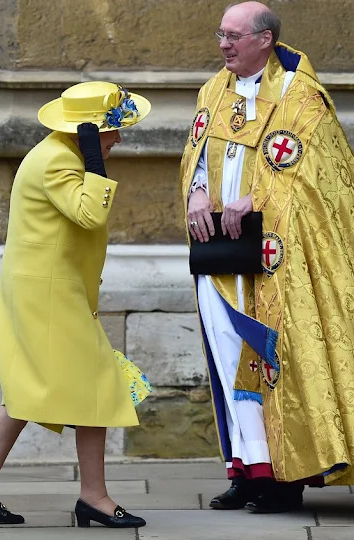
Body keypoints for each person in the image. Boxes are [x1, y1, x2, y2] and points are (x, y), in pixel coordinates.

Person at [180, 1, 354, 513]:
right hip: (222, 251)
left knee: (273, 356)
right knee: (230, 355)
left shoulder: (302, 95)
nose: (224, 45)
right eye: (220, 35)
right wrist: (196, 192)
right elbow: (196, 151)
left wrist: (256, 198)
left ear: (266, 39)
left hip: (281, 257)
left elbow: (319, 175)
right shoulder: (214, 89)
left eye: (233, 36)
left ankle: (285, 476)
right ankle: (248, 470)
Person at [0, 81, 152, 528]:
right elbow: (90, 213)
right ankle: (94, 498)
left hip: (48, 293)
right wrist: (96, 161)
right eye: (111, 130)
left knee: (29, 393)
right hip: (46, 298)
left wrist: (92, 154)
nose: (119, 138)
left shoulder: (60, 154)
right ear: (87, 132)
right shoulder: (58, 161)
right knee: (98, 385)